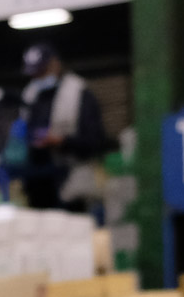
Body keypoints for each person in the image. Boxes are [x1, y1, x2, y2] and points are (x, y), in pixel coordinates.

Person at [15, 43, 112, 212]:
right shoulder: (30, 94)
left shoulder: (79, 92)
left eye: (42, 71)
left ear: (55, 64)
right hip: (39, 186)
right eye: (34, 73)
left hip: (73, 184)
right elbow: (25, 131)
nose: (38, 78)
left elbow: (96, 141)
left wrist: (62, 141)